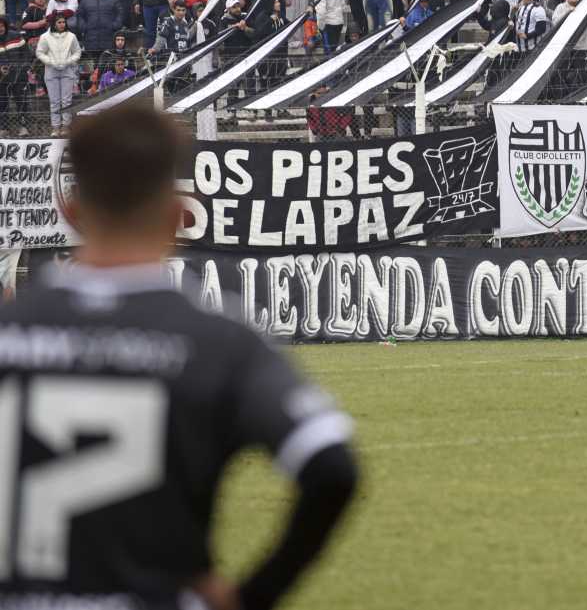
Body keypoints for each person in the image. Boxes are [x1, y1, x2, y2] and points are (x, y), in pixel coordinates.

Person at [0, 101, 359, 607]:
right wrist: (255, 597)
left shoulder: (10, 327)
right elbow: (331, 467)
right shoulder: (219, 342)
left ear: (70, 211)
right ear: (176, 215)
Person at [35, 12, 80, 134]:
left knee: (66, 100)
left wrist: (68, 61)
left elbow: (77, 52)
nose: (62, 24)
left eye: (63, 22)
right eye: (59, 22)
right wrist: (50, 62)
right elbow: (40, 52)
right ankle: (55, 127)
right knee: (54, 101)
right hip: (51, 71)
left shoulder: (72, 36)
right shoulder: (45, 37)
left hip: (67, 70)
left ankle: (66, 126)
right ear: (54, 24)